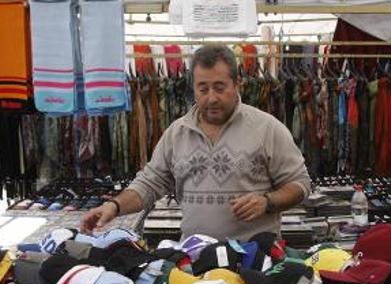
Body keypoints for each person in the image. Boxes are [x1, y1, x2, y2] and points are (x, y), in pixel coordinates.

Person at [81, 44, 310, 241]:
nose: (211, 98)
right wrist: (114, 206)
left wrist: (267, 201)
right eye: (203, 89)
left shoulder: (267, 129)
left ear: (237, 83)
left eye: (220, 88)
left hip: (254, 259)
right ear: (193, 88)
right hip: (195, 259)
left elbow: (300, 184)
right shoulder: (177, 133)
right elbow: (150, 184)